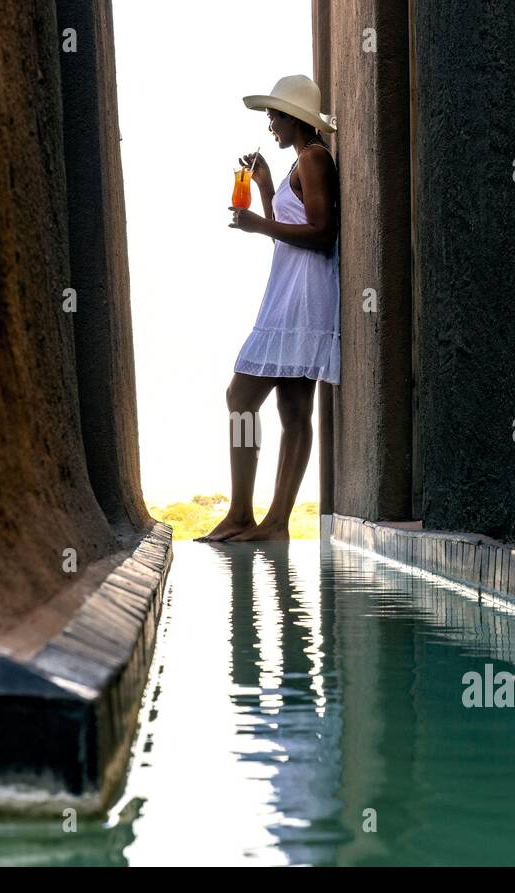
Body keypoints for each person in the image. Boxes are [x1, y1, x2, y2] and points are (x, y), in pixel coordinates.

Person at [198, 75, 340, 543]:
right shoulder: (301, 161)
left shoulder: (315, 158)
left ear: (294, 118)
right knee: (293, 408)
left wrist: (259, 225)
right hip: (292, 290)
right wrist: (264, 188)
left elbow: (321, 233)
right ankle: (270, 522)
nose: (270, 125)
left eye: (274, 116)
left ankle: (248, 515)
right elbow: (293, 224)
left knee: (241, 398)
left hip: (301, 296)